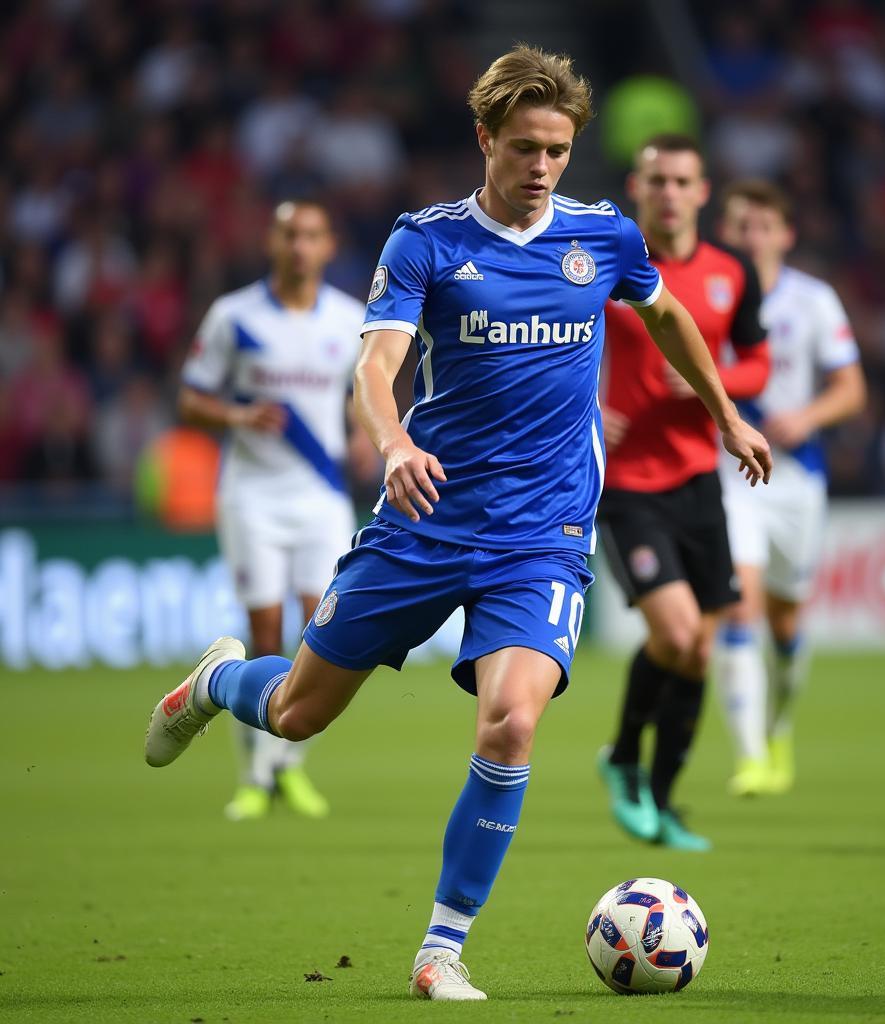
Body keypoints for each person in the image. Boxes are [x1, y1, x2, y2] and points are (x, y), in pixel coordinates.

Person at [145, 46, 771, 1001]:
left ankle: (441, 949)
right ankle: (217, 682)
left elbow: (667, 314)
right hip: (426, 517)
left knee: (512, 723)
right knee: (298, 714)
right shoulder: (426, 243)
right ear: (485, 139)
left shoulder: (603, 236)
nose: (542, 168)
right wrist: (394, 441)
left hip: (544, 532)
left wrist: (725, 412)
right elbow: (375, 363)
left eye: (558, 150)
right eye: (524, 148)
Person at [597, 135, 771, 850]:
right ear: (637, 188)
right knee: (672, 633)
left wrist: (715, 387)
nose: (669, 193)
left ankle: (663, 800)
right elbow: (556, 344)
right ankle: (620, 759)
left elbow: (758, 360)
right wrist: (586, 409)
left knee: (699, 650)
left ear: (703, 193)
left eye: (682, 181)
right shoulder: (607, 265)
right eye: (656, 180)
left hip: (700, 480)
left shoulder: (733, 273)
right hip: (627, 482)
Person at [178, 199, 371, 820]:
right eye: (289, 235)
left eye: (311, 235)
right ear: (272, 242)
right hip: (252, 495)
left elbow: (364, 392)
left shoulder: (349, 319)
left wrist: (367, 434)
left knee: (320, 630)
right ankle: (256, 775)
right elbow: (190, 399)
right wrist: (237, 414)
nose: (299, 246)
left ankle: (290, 768)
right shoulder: (235, 316)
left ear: (328, 245)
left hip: (320, 496)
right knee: (264, 630)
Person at [714, 179, 865, 794]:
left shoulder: (814, 300)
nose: (753, 235)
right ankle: (749, 757)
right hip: (729, 472)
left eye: (763, 225)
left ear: (785, 234)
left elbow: (851, 388)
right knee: (738, 603)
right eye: (742, 225)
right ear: (726, 232)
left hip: (796, 477)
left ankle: (779, 727)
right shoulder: (712, 295)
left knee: (786, 622)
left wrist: (806, 417)